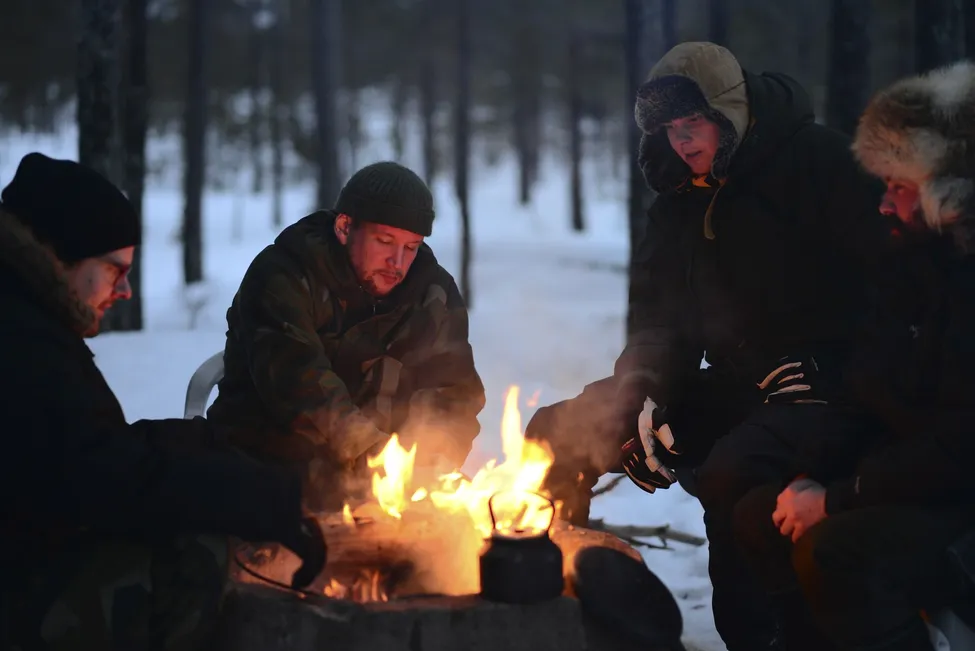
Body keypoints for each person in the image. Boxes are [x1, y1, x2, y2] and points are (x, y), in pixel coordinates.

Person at [525, 42, 895, 650]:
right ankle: (556, 616)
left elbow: (895, 290)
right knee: (558, 431)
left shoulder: (820, 163)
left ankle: (761, 640)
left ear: (729, 113)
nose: (681, 143)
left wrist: (833, 369)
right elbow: (657, 317)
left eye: (691, 124)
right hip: (734, 383)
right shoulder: (677, 195)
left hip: (825, 392)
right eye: (668, 130)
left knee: (732, 475)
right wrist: (643, 392)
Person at [0, 153, 328, 651]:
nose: (126, 291)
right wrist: (255, 499)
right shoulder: (25, 342)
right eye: (115, 270)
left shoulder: (26, 317)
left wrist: (193, 442)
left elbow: (80, 449)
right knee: (194, 552)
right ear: (62, 255)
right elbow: (105, 481)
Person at [734, 60, 975, 651]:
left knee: (836, 549)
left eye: (900, 187)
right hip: (910, 475)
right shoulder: (909, 266)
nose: (884, 205)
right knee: (762, 515)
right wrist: (811, 474)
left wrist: (841, 498)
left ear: (949, 192)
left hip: (959, 494)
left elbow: (960, 443)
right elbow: (862, 390)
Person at [208, 161, 485, 512]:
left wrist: (433, 459)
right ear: (343, 227)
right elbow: (301, 390)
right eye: (384, 242)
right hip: (268, 470)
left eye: (411, 247)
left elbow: (455, 391)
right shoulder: (284, 275)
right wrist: (384, 461)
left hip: (380, 487)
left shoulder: (432, 291)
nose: (397, 262)